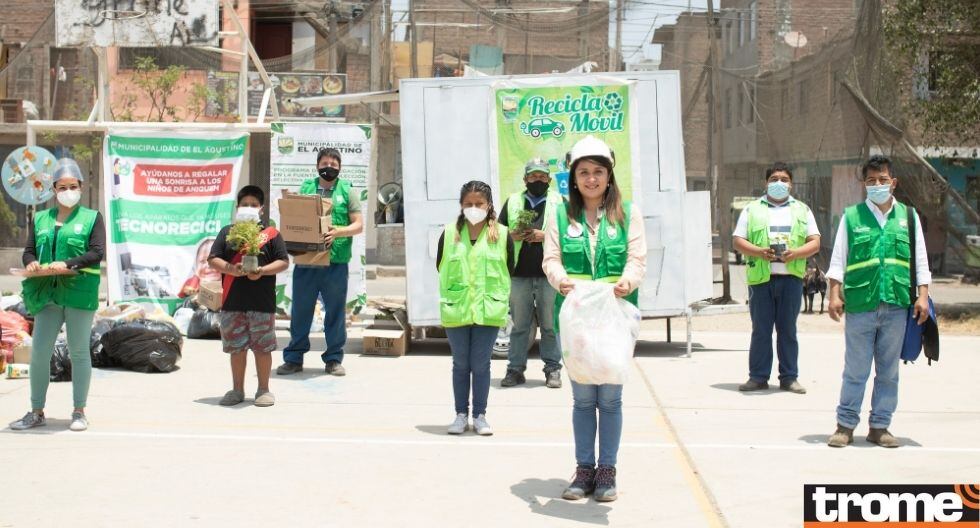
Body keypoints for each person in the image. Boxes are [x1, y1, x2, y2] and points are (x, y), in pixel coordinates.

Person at [542, 136, 647, 502]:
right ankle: (584, 470)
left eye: (598, 172)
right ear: (573, 178)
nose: (590, 179)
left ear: (609, 176)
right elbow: (551, 258)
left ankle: (607, 472)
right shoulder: (559, 214)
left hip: (614, 316)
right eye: (583, 172)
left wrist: (627, 281)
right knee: (584, 400)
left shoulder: (628, 213)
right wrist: (561, 280)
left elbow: (637, 258)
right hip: (576, 318)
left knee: (611, 400)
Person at [825, 155, 930, 448]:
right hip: (861, 304)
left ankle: (880, 426)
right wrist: (834, 295)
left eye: (883, 180)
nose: (877, 185)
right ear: (864, 185)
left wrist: (922, 296)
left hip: (896, 305)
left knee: (888, 371)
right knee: (856, 369)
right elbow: (838, 260)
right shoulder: (852, 216)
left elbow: (920, 260)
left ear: (893, 183)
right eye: (871, 181)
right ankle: (845, 425)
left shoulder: (908, 217)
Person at [10, 158, 105, 432]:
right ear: (53, 189)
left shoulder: (91, 218)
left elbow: (97, 252)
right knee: (39, 353)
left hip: (78, 294)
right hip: (47, 293)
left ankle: (79, 411)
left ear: (81, 187)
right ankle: (36, 410)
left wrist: (69, 263)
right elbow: (29, 250)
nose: (68, 191)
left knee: (78, 352)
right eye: (62, 187)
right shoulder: (40, 218)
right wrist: (31, 263)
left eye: (72, 186)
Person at [732, 162, 821, 393]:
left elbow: (815, 242)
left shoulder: (803, 210)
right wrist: (759, 252)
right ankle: (758, 377)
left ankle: (789, 377)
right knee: (761, 329)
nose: (778, 183)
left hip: (791, 279)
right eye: (774, 179)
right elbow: (738, 241)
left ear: (790, 184)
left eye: (783, 179)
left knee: (788, 329)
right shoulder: (752, 209)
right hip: (761, 279)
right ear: (766, 183)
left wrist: (796, 254)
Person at [436, 180, 514, 436]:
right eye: (468, 203)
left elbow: (508, 269)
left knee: (481, 365)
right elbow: (441, 266)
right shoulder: (448, 233)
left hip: (487, 310)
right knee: (460, 364)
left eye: (478, 204)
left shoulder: (502, 235)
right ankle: (460, 415)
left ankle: (480, 415)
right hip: (457, 309)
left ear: (488, 205)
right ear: (461, 205)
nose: (473, 208)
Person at [277, 148, 363, 377]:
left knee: (335, 312)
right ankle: (294, 358)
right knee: (300, 311)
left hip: (335, 262)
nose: (330, 167)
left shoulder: (348, 191)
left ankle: (334, 359)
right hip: (306, 262)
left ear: (340, 168)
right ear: (317, 166)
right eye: (325, 163)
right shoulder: (307, 187)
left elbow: (358, 225)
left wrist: (338, 231)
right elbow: (296, 216)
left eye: (334, 164)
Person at [207, 186, 290, 407]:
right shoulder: (227, 232)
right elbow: (213, 258)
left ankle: (263, 390)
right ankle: (237, 390)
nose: (249, 208)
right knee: (236, 349)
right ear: (238, 207)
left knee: (262, 348)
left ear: (261, 209)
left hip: (261, 303)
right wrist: (231, 269)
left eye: (254, 205)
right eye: (245, 204)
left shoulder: (271, 234)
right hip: (233, 302)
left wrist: (262, 270)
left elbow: (283, 261)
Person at [497, 158, 564, 389]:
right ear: (525, 179)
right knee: (519, 326)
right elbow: (497, 231)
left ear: (549, 179)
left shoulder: (559, 202)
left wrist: (545, 236)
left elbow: (573, 234)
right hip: (519, 275)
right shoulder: (514, 201)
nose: (538, 180)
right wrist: (511, 236)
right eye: (533, 176)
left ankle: (552, 370)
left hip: (549, 275)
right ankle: (515, 370)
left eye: (542, 176)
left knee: (549, 325)